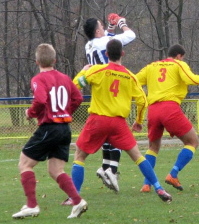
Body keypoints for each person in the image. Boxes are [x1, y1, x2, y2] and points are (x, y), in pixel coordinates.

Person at [72, 39, 172, 203]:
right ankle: (159, 187)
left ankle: (74, 196)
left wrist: (82, 72)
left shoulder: (97, 71)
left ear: (106, 54)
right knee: (138, 156)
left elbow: (75, 85)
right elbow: (142, 101)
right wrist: (139, 120)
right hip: (118, 123)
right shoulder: (130, 76)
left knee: (79, 156)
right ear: (122, 54)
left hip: (98, 119)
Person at [64, 14, 137, 205]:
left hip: (98, 84)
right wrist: (122, 23)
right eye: (102, 26)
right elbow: (130, 37)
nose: (105, 27)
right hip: (111, 82)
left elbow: (106, 43)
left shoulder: (89, 45)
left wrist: (111, 29)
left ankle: (107, 168)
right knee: (117, 128)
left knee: (108, 133)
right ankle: (111, 170)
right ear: (97, 31)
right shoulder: (104, 41)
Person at [12, 43, 87, 220]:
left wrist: (30, 113)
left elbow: (40, 100)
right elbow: (78, 98)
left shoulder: (38, 79)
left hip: (49, 127)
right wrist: (65, 111)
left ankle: (31, 206)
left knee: (24, 164)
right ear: (55, 60)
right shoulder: (64, 78)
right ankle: (77, 201)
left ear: (36, 61)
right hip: (64, 129)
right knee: (55, 170)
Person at [135, 44, 199, 193]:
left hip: (152, 110)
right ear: (179, 56)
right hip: (169, 108)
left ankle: (147, 184)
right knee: (192, 142)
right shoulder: (178, 64)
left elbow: (134, 81)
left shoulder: (151, 66)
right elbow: (191, 79)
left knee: (153, 148)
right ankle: (173, 174)